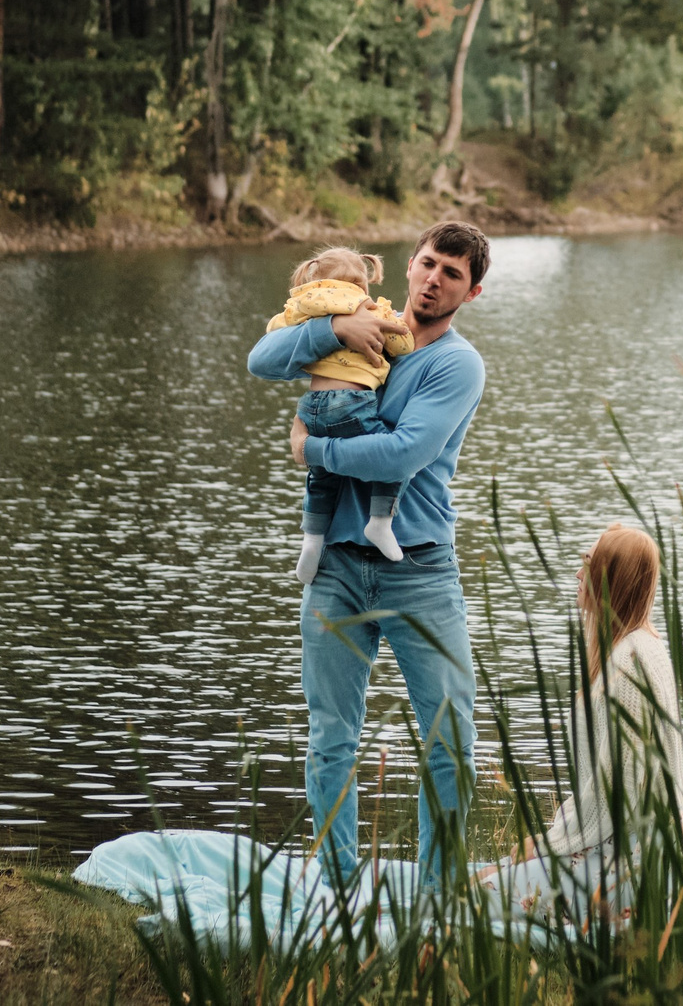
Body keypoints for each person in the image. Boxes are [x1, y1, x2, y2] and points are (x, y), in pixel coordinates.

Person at [246, 220, 490, 887]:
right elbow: (262, 360)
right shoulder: (360, 318)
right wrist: (332, 335)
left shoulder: (455, 363)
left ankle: (441, 896)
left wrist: (310, 449)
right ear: (409, 265)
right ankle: (336, 886)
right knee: (331, 738)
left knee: (449, 740)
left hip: (420, 570)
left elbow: (403, 453)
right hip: (338, 571)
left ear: (471, 293)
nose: (434, 279)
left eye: (452, 274)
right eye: (428, 263)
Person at [482, 522, 683, 923]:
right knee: (492, 879)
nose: (578, 575)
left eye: (588, 565)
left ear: (612, 580)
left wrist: (546, 844)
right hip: (641, 843)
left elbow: (617, 794)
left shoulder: (628, 667)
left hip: (635, 860)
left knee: (483, 899)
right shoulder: (642, 643)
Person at [265, 246, 417, 578]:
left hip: (311, 408)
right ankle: (379, 522)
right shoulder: (366, 308)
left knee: (322, 478)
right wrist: (393, 322)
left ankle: (312, 541)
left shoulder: (306, 306)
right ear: (363, 282)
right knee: (392, 461)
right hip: (350, 402)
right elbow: (402, 343)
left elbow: (273, 332)